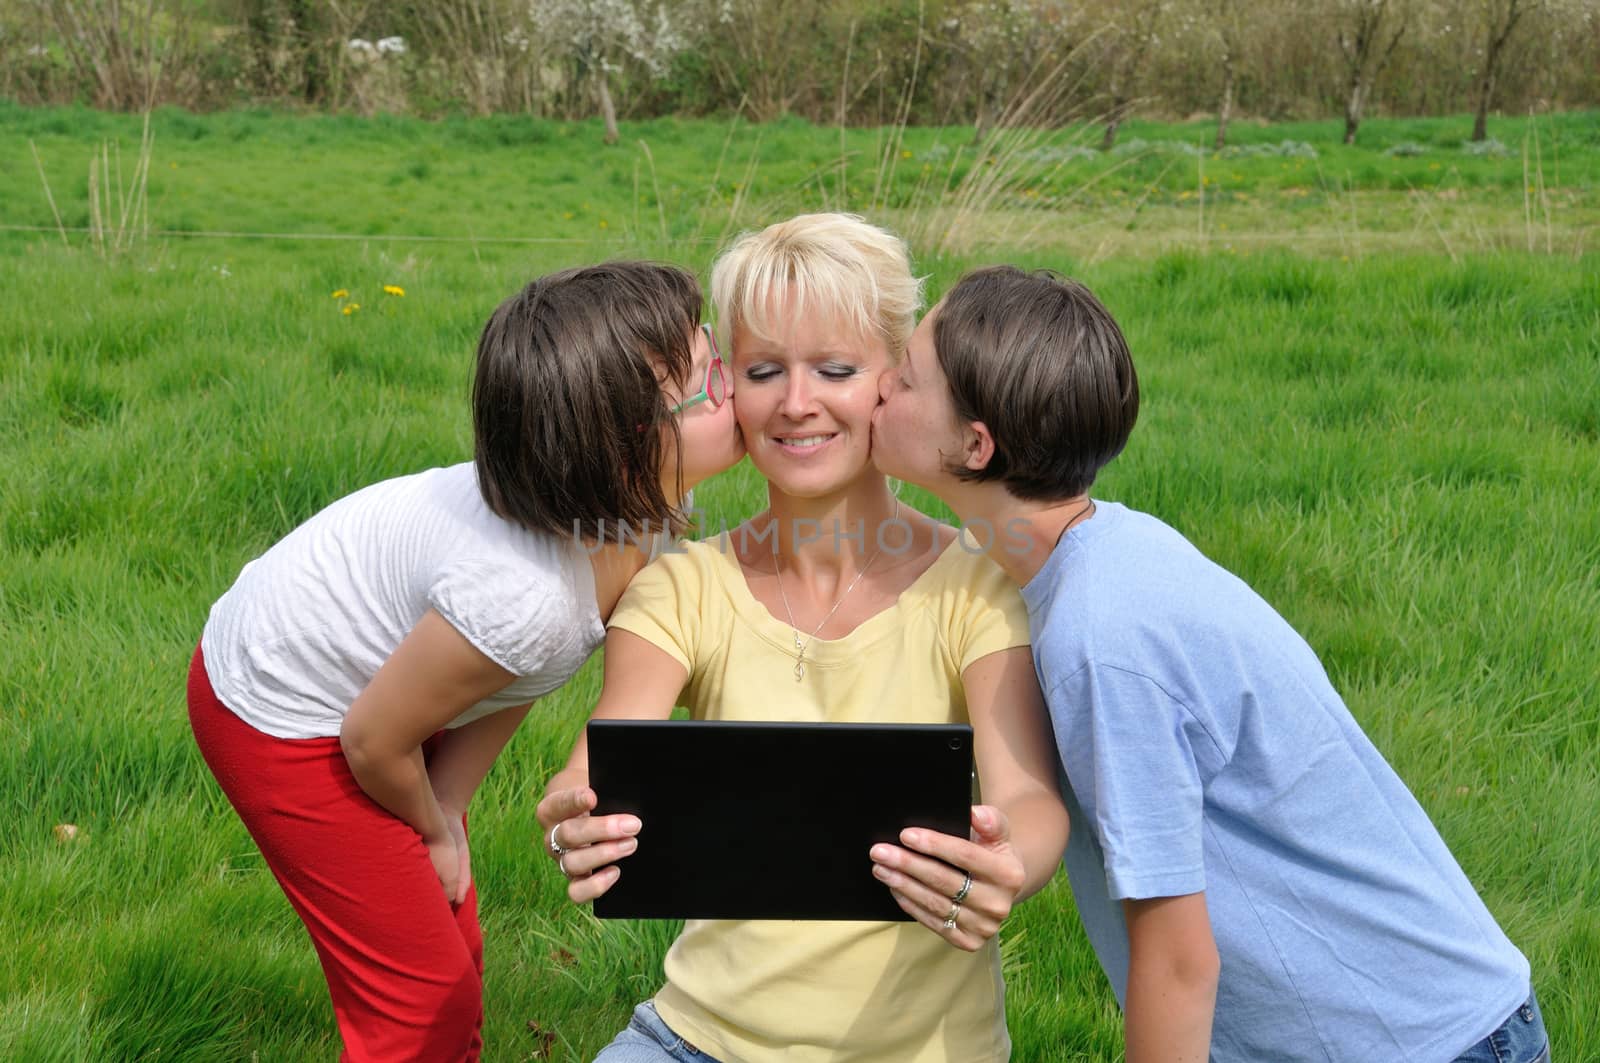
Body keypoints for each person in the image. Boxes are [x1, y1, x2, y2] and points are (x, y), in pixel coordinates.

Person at [869, 264, 1547, 1063]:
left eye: (905, 379)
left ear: (975, 445)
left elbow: (1180, 961)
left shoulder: (1104, 635)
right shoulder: (1103, 550)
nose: (880, 384)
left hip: (1416, 1042)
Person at [536, 216, 1069, 1063]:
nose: (795, 402)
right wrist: (576, 820)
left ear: (894, 382)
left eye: (835, 368)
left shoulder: (975, 585)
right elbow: (598, 760)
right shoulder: (683, 584)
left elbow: (1030, 800)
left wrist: (1011, 861)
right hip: (694, 1040)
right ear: (729, 388)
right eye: (762, 371)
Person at [187, 262, 744, 1063]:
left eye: (712, 351)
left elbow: (514, 677)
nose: (737, 387)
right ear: (626, 452)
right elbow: (376, 740)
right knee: (419, 996)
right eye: (713, 379)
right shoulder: (526, 595)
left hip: (383, 686)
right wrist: (430, 824)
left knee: (450, 947)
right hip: (279, 706)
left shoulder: (637, 513)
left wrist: (449, 804)